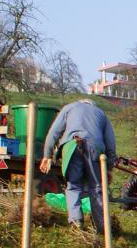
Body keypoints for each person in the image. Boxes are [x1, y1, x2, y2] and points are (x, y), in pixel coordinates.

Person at [39, 99, 117, 238]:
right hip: (94, 148)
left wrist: (47, 155)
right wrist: (109, 167)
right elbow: (111, 143)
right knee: (96, 188)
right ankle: (103, 228)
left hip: (72, 146)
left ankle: (76, 223)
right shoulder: (101, 113)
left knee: (73, 186)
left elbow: (54, 132)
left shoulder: (69, 108)